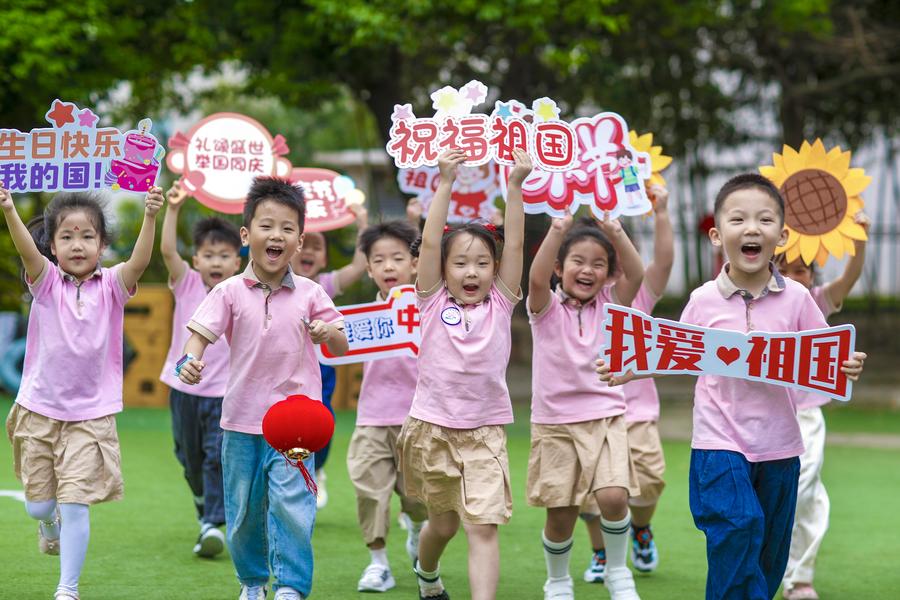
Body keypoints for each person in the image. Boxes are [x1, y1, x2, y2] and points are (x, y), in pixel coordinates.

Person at [596, 173, 867, 600]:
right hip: (718, 441)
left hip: (780, 446)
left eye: (764, 219)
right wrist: (632, 367)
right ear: (717, 235)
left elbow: (824, 354)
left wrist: (844, 365)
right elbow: (673, 351)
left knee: (769, 556)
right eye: (738, 219)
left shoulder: (797, 297)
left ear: (782, 234)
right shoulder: (704, 299)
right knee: (739, 525)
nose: (751, 228)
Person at [176, 176, 349, 600]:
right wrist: (189, 360)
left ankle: (290, 586)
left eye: (288, 228)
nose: (277, 235)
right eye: (267, 225)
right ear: (246, 234)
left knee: (293, 508)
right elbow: (199, 334)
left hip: (295, 422)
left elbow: (343, 342)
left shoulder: (311, 293)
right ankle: (253, 583)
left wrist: (328, 330)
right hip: (240, 421)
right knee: (243, 514)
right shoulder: (229, 291)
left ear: (300, 240)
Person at [3, 184, 164, 600]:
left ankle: (67, 588)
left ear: (103, 244)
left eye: (88, 236)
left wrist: (150, 215)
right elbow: (25, 250)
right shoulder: (46, 282)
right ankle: (46, 523)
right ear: (53, 247)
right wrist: (7, 208)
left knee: (76, 501)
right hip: (39, 408)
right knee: (39, 506)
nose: (78, 245)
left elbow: (142, 260)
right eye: (67, 237)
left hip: (91, 415)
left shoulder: (112, 285)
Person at [398, 148, 531, 600]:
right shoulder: (431, 299)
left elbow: (514, 244)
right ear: (442, 270)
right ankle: (427, 572)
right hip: (431, 427)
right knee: (443, 524)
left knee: (482, 527)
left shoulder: (501, 301)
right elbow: (431, 243)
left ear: (495, 271)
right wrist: (446, 182)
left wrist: (514, 188)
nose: (470, 271)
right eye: (460, 263)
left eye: (481, 263)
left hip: (485, 433)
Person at [527, 204, 645, 600]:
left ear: (608, 274)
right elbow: (536, 277)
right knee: (560, 514)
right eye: (578, 261)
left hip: (606, 415)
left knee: (614, 497)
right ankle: (558, 580)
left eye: (598, 263)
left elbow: (637, 273)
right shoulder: (544, 310)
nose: (588, 270)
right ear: (561, 268)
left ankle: (617, 571)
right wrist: (558, 230)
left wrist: (615, 229)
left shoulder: (613, 306)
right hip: (555, 422)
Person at [776, 211, 869, 600]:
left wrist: (859, 238)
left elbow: (849, 277)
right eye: (789, 269)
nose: (798, 277)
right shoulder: (758, 304)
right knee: (767, 499)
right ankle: (768, 569)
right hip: (763, 415)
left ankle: (799, 578)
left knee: (806, 491)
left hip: (807, 414)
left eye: (804, 270)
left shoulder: (816, 303)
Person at [581, 186, 673, 583]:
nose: (609, 265)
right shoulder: (575, 298)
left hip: (636, 412)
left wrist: (663, 211)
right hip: (586, 414)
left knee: (649, 482)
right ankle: (601, 552)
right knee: (588, 493)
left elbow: (664, 263)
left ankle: (641, 528)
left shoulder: (638, 299)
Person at [158, 181, 242, 558]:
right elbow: (166, 250)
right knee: (188, 457)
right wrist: (172, 208)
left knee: (215, 456)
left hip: (224, 393)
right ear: (196, 261)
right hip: (183, 389)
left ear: (237, 262)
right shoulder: (186, 283)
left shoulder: (242, 289)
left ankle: (212, 523)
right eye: (208, 255)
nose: (216, 263)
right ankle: (203, 507)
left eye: (224, 256)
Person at [348, 220, 429, 592]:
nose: (388, 267)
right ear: (368, 270)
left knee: (417, 498)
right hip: (372, 417)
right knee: (369, 488)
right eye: (378, 260)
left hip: (421, 418)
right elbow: (335, 344)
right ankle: (378, 563)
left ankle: (416, 530)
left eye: (398, 258)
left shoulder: (431, 308)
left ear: (415, 263)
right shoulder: (363, 318)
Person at [290, 201, 368, 509]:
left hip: (321, 372)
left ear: (324, 257)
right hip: (284, 371)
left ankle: (317, 468)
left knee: (322, 426)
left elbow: (360, 266)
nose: (308, 250)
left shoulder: (325, 285)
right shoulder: (272, 282)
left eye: (317, 246)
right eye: (304, 243)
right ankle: (293, 477)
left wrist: (361, 223)